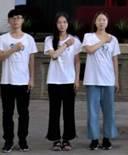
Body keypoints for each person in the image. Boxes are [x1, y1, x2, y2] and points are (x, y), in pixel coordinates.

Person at [0, 8, 38, 153]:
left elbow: (31, 60)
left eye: (18, 17)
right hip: (7, 81)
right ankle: (8, 141)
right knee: (7, 113)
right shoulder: (3, 38)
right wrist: (13, 49)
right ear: (9, 20)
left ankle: (23, 140)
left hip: (23, 82)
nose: (16, 20)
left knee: (23, 113)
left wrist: (31, 79)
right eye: (13, 18)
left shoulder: (29, 39)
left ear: (23, 20)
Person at [82, 11, 120, 151]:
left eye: (104, 19)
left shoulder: (113, 39)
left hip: (108, 80)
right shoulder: (88, 36)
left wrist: (116, 80)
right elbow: (90, 50)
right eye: (99, 19)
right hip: (92, 79)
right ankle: (94, 139)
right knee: (93, 111)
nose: (101, 22)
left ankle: (107, 138)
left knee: (109, 111)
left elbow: (114, 60)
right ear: (95, 22)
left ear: (107, 22)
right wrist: (103, 41)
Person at [44, 12, 81, 151]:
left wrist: (77, 79)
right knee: (54, 111)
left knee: (68, 112)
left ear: (68, 24)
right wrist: (65, 45)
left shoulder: (75, 40)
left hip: (69, 80)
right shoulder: (49, 39)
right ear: (56, 24)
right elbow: (54, 55)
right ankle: (55, 139)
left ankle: (67, 139)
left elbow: (77, 61)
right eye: (59, 22)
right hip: (54, 80)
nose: (62, 25)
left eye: (64, 22)